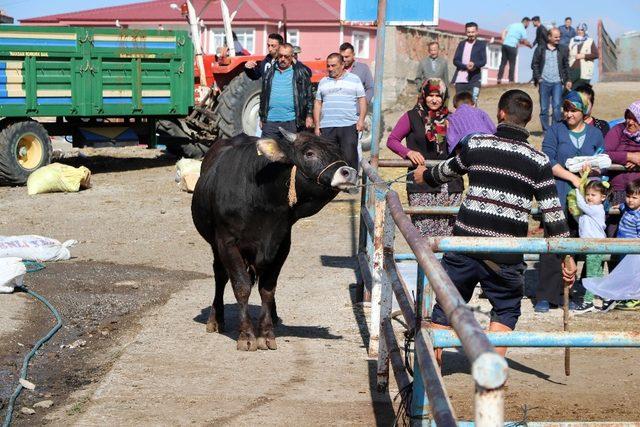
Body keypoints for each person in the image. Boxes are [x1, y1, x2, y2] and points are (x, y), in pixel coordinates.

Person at [413, 89, 576, 362]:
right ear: (528, 119)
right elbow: (553, 214)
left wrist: (423, 176)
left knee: (446, 305)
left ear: (500, 114)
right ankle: (491, 375)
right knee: (506, 309)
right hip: (505, 253)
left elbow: (444, 172)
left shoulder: (477, 144)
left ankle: (431, 380)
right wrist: (567, 255)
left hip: (465, 244)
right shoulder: (538, 161)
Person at [535, 90, 604, 313]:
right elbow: (548, 159)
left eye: (573, 110)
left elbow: (601, 160)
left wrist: (591, 170)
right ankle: (546, 295)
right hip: (558, 192)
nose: (568, 114)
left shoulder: (595, 134)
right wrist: (572, 176)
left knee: (574, 242)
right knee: (552, 242)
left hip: (584, 198)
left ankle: (570, 292)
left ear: (583, 111)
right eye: (566, 109)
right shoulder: (555, 130)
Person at [386, 78, 463, 237]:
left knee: (447, 236)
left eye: (438, 96)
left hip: (449, 184)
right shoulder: (412, 116)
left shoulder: (452, 118)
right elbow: (392, 140)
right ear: (423, 95)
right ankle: (424, 263)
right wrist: (408, 152)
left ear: (444, 97)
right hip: (421, 183)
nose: (434, 100)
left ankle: (443, 263)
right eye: (430, 95)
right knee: (423, 235)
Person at [314, 53, 367, 169]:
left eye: (333, 66)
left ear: (342, 65)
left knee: (349, 158)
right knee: (328, 160)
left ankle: (351, 185)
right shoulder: (323, 81)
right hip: (327, 126)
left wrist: (361, 120)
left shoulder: (354, 79)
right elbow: (318, 103)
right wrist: (317, 125)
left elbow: (362, 100)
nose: (330, 69)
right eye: (328, 66)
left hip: (348, 125)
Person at [572, 179, 613, 313]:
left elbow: (580, 204)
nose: (589, 197)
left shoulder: (596, 209)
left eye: (593, 195)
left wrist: (578, 190)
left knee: (591, 275)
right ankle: (608, 297)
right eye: (587, 194)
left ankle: (588, 302)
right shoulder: (589, 212)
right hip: (592, 245)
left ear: (603, 198)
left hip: (596, 246)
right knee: (597, 274)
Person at [257, 43, 314, 140]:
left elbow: (308, 95)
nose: (283, 59)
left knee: (291, 153)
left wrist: (309, 115)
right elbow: (263, 96)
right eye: (280, 56)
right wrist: (262, 118)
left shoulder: (300, 72)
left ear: (292, 57)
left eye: (286, 56)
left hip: (291, 122)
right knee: (264, 153)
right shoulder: (269, 73)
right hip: (270, 122)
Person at [604, 101, 640, 236]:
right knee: (615, 219)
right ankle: (614, 254)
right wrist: (630, 156)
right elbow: (606, 152)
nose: (630, 122)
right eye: (628, 117)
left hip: (639, 191)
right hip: (619, 189)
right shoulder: (618, 130)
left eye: (634, 119)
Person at [531, 27, 571, 131]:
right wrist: (538, 78)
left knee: (557, 107)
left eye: (559, 37)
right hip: (544, 82)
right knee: (544, 109)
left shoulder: (563, 49)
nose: (558, 39)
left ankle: (554, 129)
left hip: (557, 82)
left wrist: (568, 80)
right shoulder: (540, 48)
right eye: (556, 37)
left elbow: (566, 66)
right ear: (549, 37)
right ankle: (546, 130)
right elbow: (534, 64)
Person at [613, 179, 640, 311]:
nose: (630, 200)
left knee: (633, 274)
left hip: (633, 250)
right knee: (626, 273)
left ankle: (635, 298)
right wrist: (618, 206)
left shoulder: (639, 215)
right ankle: (627, 295)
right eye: (628, 196)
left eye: (634, 197)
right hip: (623, 247)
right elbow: (623, 206)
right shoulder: (626, 208)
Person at [452, 22, 486, 103]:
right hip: (460, 80)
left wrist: (474, 64)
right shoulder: (462, 44)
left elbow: (483, 61)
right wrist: (465, 66)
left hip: (474, 80)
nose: (471, 34)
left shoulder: (481, 45)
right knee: (460, 104)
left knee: (473, 102)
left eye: (473, 32)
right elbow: (455, 60)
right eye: (469, 32)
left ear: (477, 32)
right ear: (466, 32)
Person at [498, 17, 532, 84]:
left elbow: (504, 31)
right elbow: (525, 41)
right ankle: (511, 80)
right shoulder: (522, 29)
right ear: (526, 22)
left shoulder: (513, 24)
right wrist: (530, 45)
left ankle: (499, 79)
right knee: (512, 64)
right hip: (512, 46)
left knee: (503, 63)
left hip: (505, 45)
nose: (528, 26)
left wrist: (503, 39)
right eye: (528, 24)